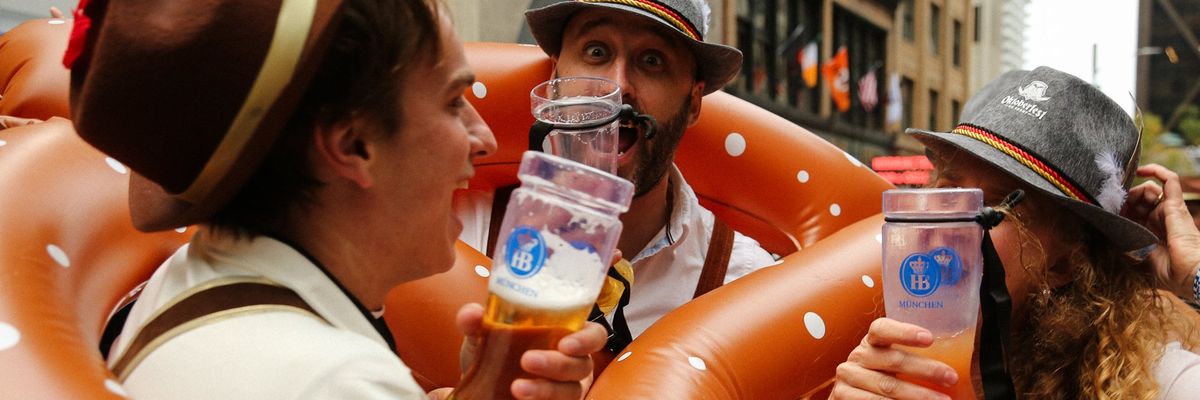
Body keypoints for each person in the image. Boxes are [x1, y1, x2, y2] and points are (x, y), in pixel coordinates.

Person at [66, 0, 603, 399]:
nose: (482, 138)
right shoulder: (335, 382)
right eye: (452, 101)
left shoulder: (191, 277)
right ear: (353, 145)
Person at [832, 67, 1200, 399]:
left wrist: (1193, 275)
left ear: (1064, 264)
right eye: (947, 192)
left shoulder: (1155, 384)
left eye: (995, 207)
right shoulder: (867, 362)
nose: (946, 229)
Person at [456, 0, 775, 352]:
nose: (617, 86)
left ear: (694, 103)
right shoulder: (458, 232)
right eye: (596, 52)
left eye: (652, 60)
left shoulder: (742, 281)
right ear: (555, 81)